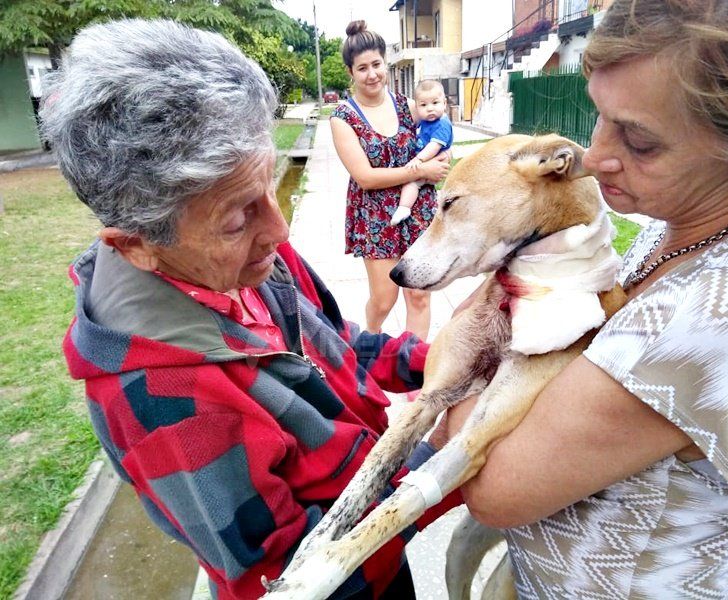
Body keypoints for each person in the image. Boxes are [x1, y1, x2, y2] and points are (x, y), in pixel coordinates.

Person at [41, 19, 460, 600]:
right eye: (237, 218)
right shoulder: (163, 403)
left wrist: (444, 360)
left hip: (381, 521)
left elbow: (333, 342)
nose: (279, 229)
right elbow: (286, 578)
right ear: (134, 244)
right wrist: (443, 460)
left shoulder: (250, 260)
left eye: (269, 184)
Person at [444, 1, 728, 598]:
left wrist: (470, 337)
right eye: (600, 116)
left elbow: (488, 484)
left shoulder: (725, 308)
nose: (594, 156)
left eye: (639, 140)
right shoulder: (684, 230)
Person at [330, 21, 450, 341]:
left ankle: (412, 369)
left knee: (419, 294)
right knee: (385, 298)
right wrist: (420, 172)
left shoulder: (407, 106)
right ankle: (370, 339)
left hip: (416, 210)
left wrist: (441, 155)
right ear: (350, 72)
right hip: (375, 215)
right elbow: (365, 178)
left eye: (377, 64)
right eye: (362, 68)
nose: (372, 74)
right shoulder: (344, 118)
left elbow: (438, 134)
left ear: (386, 64)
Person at [390, 80, 454, 226]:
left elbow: (434, 145)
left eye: (435, 103)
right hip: (427, 161)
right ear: (416, 106)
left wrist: (419, 159)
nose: (430, 109)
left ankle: (404, 208)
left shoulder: (442, 124)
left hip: (432, 162)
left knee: (412, 183)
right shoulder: (427, 122)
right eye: (423, 105)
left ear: (444, 103)